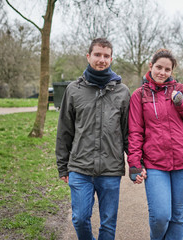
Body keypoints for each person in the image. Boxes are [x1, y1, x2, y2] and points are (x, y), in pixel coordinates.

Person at [55, 38, 130, 240]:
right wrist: (63, 166)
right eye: (97, 54)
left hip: (110, 169)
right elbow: (64, 131)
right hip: (80, 167)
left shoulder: (122, 92)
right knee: (79, 218)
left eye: (106, 56)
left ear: (111, 58)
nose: (101, 59)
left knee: (108, 223)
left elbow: (127, 133)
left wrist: (136, 163)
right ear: (88, 56)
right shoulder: (73, 90)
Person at [127, 49, 183, 240]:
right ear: (150, 66)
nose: (162, 72)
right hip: (155, 164)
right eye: (159, 67)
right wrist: (135, 164)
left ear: (172, 71)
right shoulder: (139, 95)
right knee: (161, 216)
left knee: (178, 217)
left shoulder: (182, 91)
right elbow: (135, 132)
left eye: (167, 69)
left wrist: (181, 104)